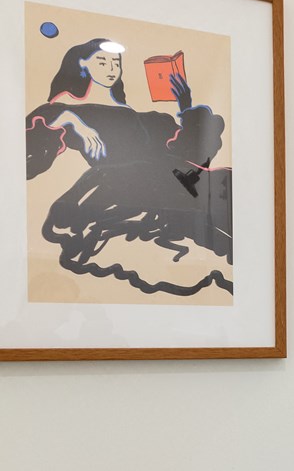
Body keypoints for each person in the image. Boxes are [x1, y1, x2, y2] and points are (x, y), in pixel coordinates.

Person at [25, 37, 233, 297]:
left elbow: (190, 153)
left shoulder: (142, 117)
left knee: (223, 202)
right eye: (102, 62)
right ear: (82, 65)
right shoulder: (74, 113)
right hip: (133, 186)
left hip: (171, 181)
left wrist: (184, 104)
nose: (112, 69)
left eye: (116, 63)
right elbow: (39, 126)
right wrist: (75, 122)